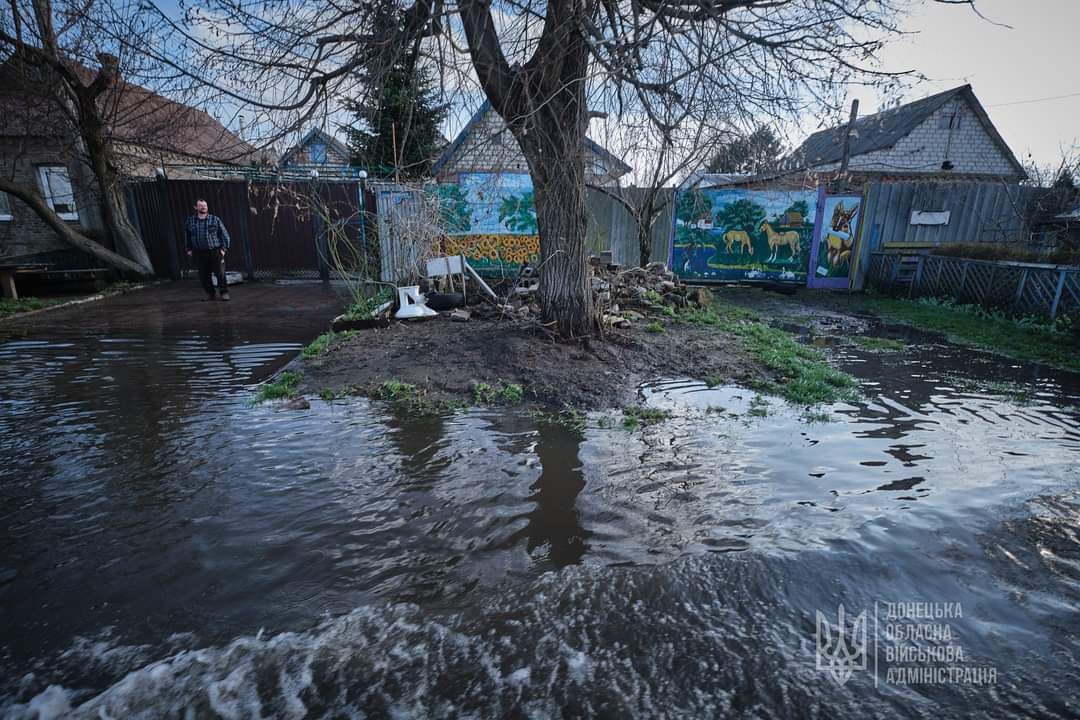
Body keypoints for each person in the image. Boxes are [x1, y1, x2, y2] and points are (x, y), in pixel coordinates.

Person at [184, 199, 232, 301]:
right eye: (201, 206)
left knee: (220, 274)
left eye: (205, 205)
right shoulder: (190, 221)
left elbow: (225, 235)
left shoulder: (214, 220)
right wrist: (188, 249)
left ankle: (224, 293)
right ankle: (210, 294)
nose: (203, 207)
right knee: (204, 275)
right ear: (196, 207)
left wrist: (224, 249)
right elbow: (187, 236)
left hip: (215, 251)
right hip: (199, 252)